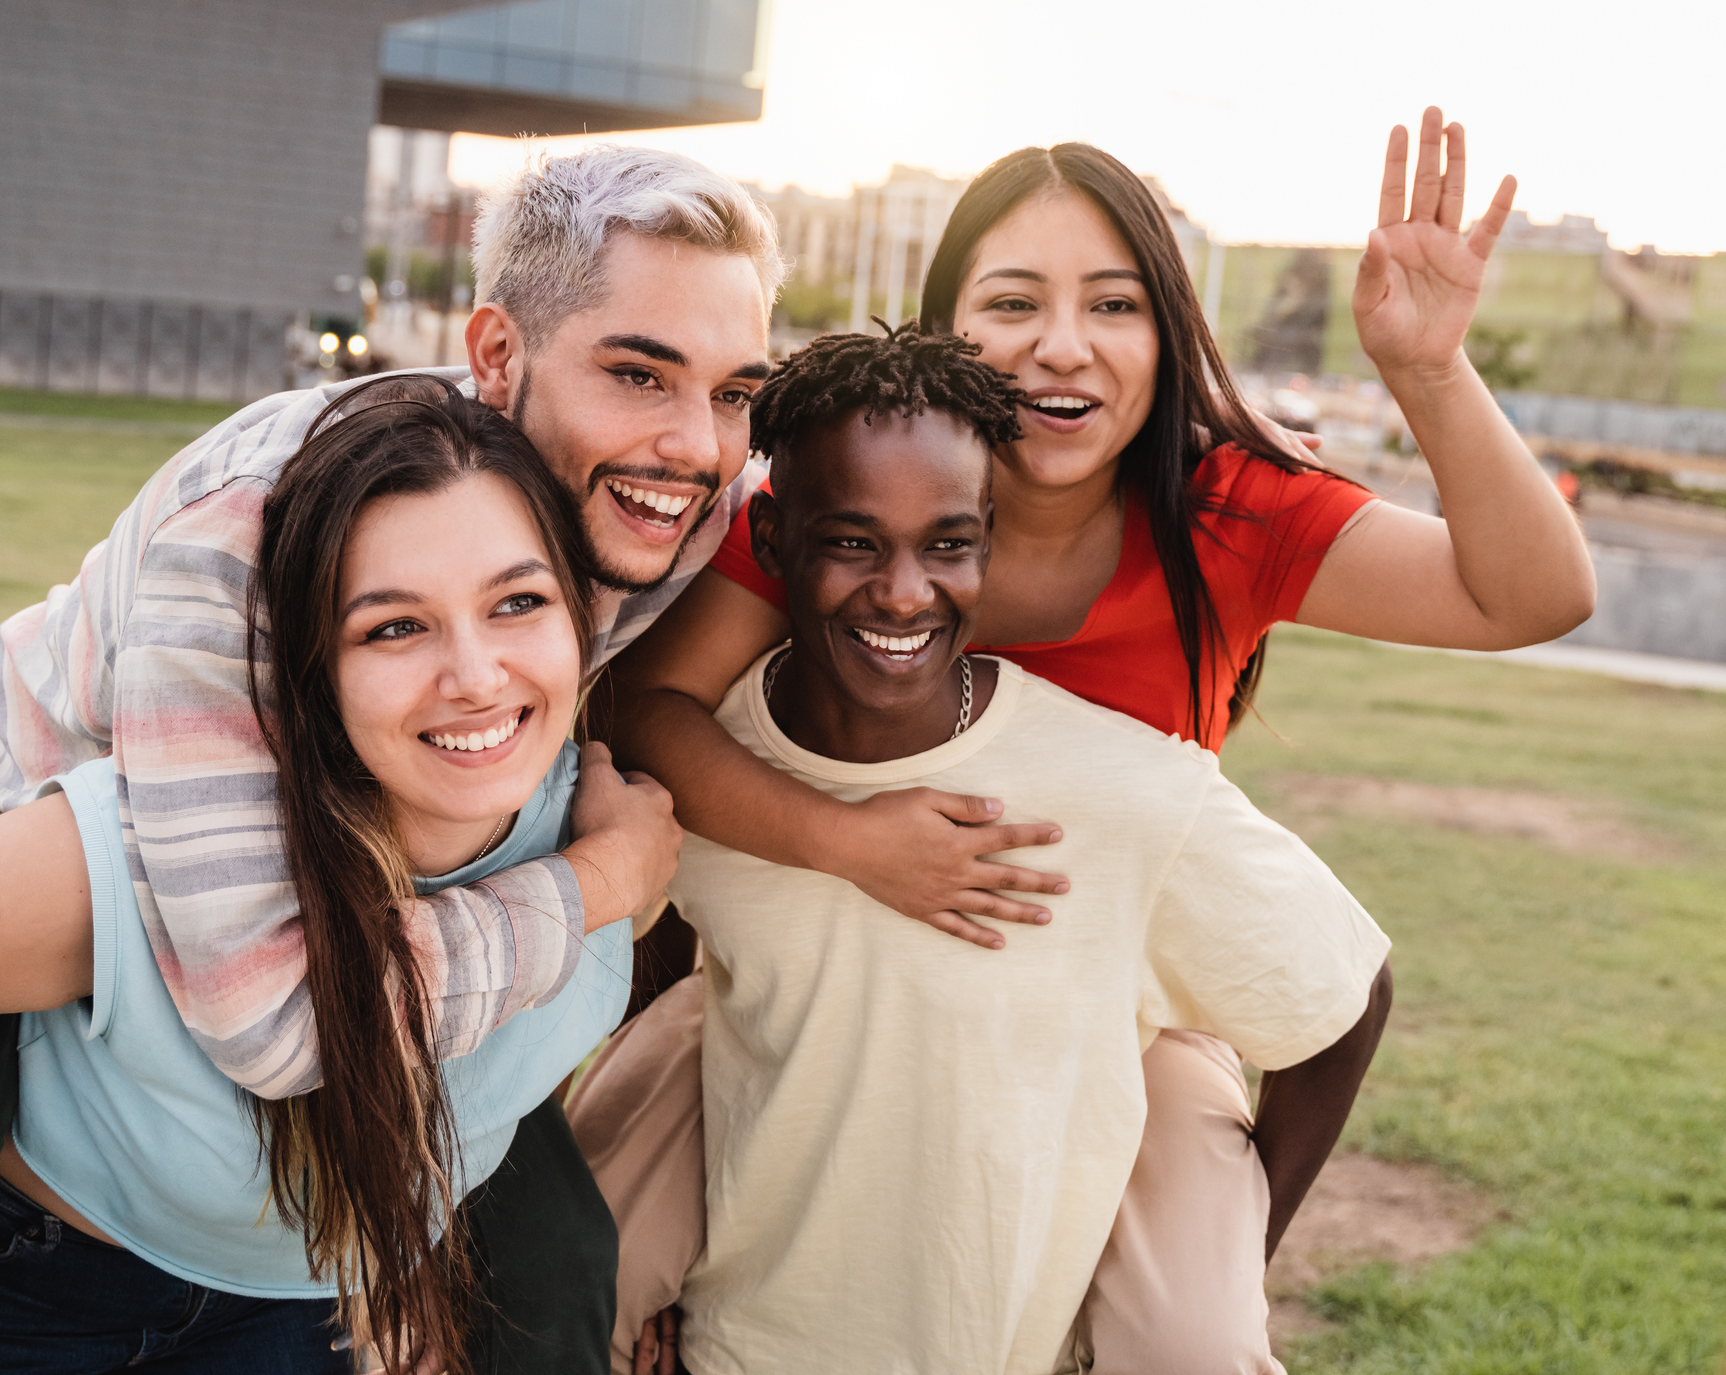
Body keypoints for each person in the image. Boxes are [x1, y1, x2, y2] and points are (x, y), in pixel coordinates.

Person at [0, 146, 786, 1375]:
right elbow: (277, 1015)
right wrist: (600, 879)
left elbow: (919, 513)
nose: (695, 443)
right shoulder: (264, 526)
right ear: (495, 355)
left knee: (550, 1263)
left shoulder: (679, 494)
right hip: (31, 821)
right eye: (639, 373)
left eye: (736, 391)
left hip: (371, 852)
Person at [598, 113, 1593, 1368]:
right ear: (943, 330)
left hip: (1119, 1005)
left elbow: (1534, 595)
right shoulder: (857, 502)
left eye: (1113, 305)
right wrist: (848, 843)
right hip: (829, 976)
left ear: (1165, 331)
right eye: (1012, 301)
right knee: (578, 1282)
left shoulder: (1225, 510)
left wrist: (1430, 370)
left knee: (1187, 1339)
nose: (1060, 346)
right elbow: (650, 708)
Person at [0, 386, 657, 1372]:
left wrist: (400, 1275)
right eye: (392, 628)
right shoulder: (133, 863)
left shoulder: (605, 821)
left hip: (280, 1316)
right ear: (310, 673)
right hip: (22, 1294)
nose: (475, 674)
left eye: (519, 602)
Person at [573, 326, 1392, 1372]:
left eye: (947, 544)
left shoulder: (1127, 790)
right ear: (772, 542)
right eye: (854, 542)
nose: (905, 591)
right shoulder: (710, 776)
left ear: (989, 540)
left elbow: (1347, 1001)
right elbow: (662, 959)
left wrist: (1237, 1253)